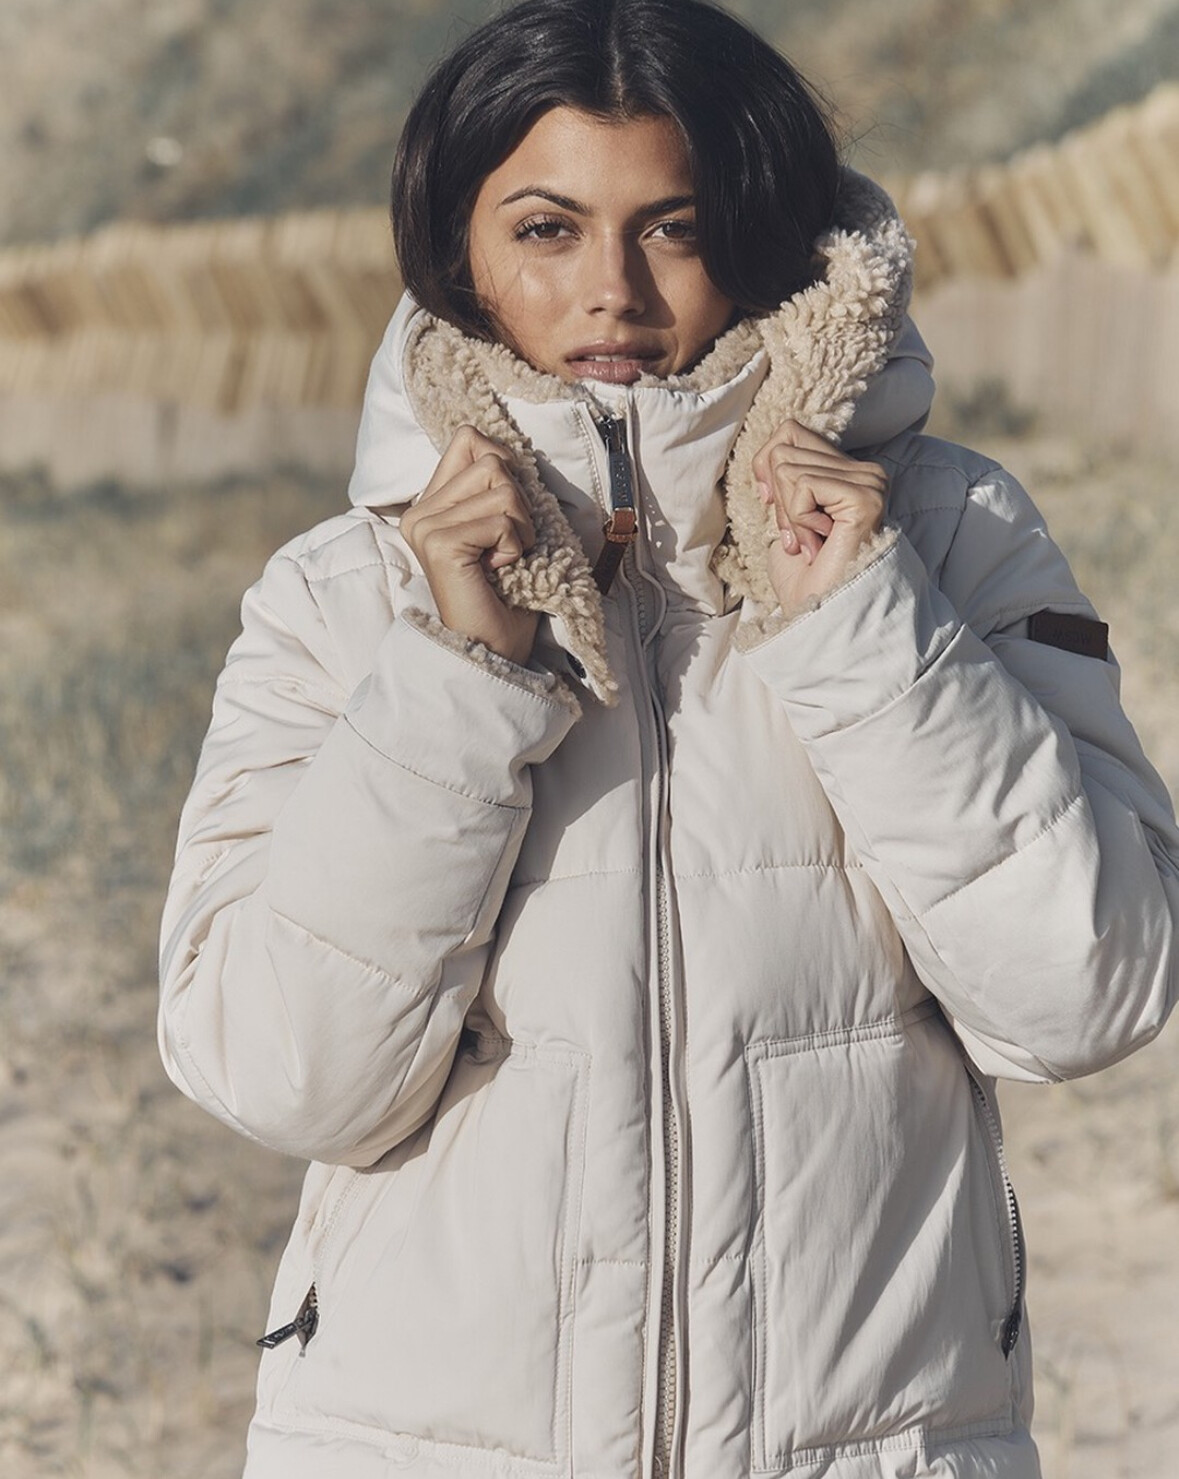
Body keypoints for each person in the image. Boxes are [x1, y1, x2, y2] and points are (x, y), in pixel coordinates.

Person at [158, 1, 1179, 1476]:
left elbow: (1087, 994)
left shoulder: (946, 540)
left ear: (767, 236)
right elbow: (284, 1074)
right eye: (547, 230)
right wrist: (456, 681)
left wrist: (861, 626)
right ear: (456, 254)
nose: (613, 295)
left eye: (676, 229)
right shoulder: (342, 597)